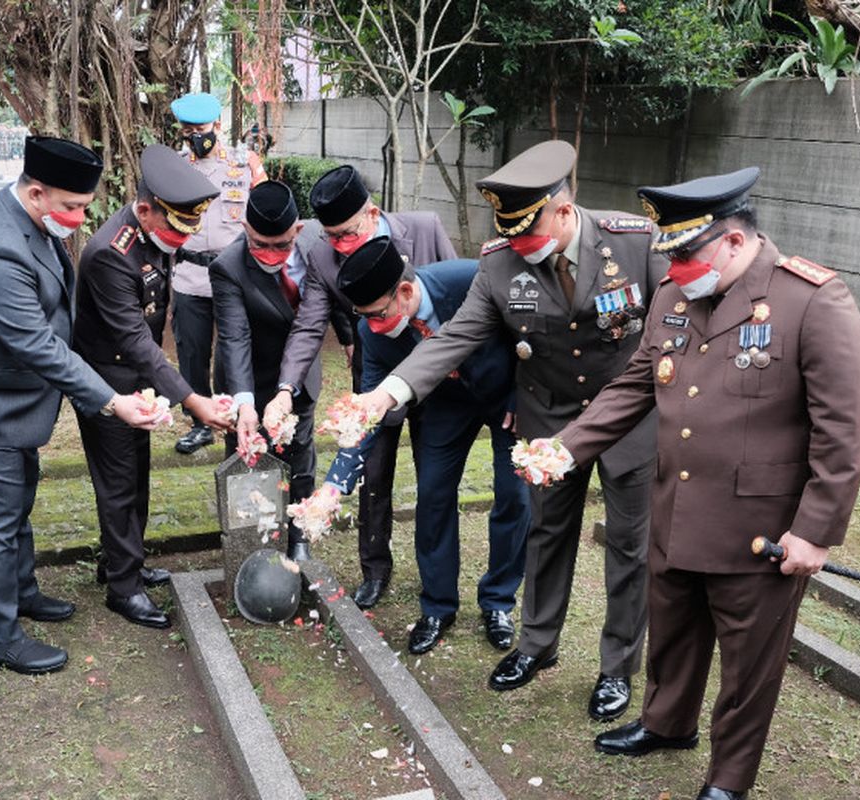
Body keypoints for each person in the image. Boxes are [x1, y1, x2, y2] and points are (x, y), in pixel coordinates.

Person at [556, 167, 860, 800]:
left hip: (757, 530)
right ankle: (666, 723)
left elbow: (845, 428)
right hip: (675, 509)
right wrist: (566, 448)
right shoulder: (677, 298)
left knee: (748, 663)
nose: (674, 270)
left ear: (733, 241)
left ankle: (729, 780)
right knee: (672, 631)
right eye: (668, 256)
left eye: (687, 255)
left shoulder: (810, 298)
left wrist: (814, 533)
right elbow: (635, 386)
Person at [355, 140, 669, 723]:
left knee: (629, 544)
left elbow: (668, 334)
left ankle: (616, 667)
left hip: (627, 417)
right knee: (546, 532)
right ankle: (536, 644)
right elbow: (456, 336)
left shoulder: (634, 241)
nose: (521, 248)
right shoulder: (499, 261)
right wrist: (389, 392)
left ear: (563, 209)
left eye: (529, 234)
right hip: (548, 416)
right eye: (512, 236)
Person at [0, 136, 168, 675]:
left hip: (3, 402)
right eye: (70, 207)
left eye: (85, 206)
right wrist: (111, 401)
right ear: (36, 190)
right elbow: (35, 344)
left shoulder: (33, 223)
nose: (80, 217)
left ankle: (21, 592)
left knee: (16, 500)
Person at [263, 165, 456, 610]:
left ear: (373, 212)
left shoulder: (424, 229)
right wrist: (286, 388)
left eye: (348, 234)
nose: (340, 246)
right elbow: (310, 326)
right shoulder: (323, 255)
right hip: (373, 375)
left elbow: (457, 307)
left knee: (436, 482)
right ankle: (375, 570)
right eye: (331, 237)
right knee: (373, 474)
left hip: (439, 376)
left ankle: (436, 587)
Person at [324, 238, 530, 654]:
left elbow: (529, 332)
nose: (373, 325)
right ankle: (437, 606)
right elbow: (371, 410)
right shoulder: (372, 332)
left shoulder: (469, 278)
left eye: (379, 314)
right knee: (432, 494)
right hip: (444, 406)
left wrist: (525, 395)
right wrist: (335, 482)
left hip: (507, 396)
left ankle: (498, 602)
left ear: (404, 291)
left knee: (514, 495)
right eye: (364, 318)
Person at [73, 144, 233, 629]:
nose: (180, 240)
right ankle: (123, 589)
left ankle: (124, 562)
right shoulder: (109, 254)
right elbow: (137, 340)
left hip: (135, 378)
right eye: (174, 229)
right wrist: (193, 399)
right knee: (119, 483)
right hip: (108, 384)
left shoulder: (150, 236)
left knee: (135, 475)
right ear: (144, 209)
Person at [210, 180, 321, 561]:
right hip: (247, 375)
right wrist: (245, 404)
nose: (271, 254)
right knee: (248, 460)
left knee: (300, 454)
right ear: (245, 229)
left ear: (299, 231)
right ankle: (251, 541)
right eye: (260, 244)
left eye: (282, 245)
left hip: (300, 372)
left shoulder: (317, 249)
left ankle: (300, 533)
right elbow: (235, 337)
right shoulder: (226, 267)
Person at [168, 92, 267, 455]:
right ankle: (199, 423)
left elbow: (266, 213)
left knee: (231, 356)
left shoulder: (244, 164)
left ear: (218, 126)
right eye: (188, 130)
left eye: (202, 128)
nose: (196, 135)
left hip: (233, 278)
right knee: (192, 353)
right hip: (190, 276)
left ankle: (232, 421)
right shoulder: (176, 167)